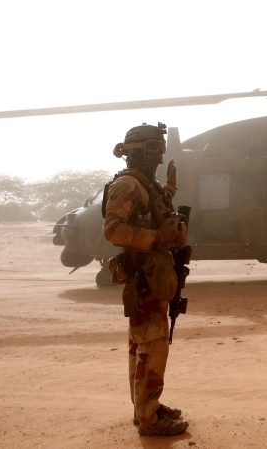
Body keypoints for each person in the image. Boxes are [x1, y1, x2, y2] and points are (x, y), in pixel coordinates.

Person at [103, 123, 189, 436]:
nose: (160, 157)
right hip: (144, 277)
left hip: (153, 274)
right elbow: (113, 229)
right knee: (151, 346)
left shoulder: (145, 185)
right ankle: (149, 417)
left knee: (145, 346)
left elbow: (150, 209)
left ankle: (146, 406)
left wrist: (170, 191)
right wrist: (156, 238)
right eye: (155, 149)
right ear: (140, 152)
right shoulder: (128, 185)